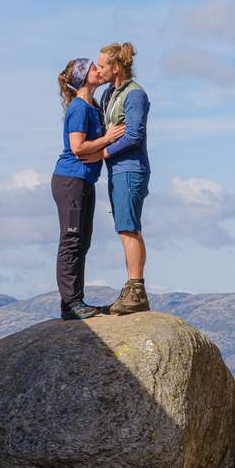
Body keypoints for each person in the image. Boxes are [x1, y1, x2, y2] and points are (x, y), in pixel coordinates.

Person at [51, 56, 124, 320]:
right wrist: (107, 139)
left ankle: (75, 300)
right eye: (94, 67)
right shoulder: (79, 108)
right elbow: (77, 147)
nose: (99, 70)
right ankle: (70, 304)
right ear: (83, 76)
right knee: (71, 241)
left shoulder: (92, 105)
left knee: (83, 241)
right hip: (70, 180)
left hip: (84, 181)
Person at [95, 42, 150, 314]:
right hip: (117, 170)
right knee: (125, 227)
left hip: (131, 168)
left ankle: (136, 289)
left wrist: (103, 151)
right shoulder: (109, 95)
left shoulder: (135, 95)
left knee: (128, 227)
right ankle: (132, 287)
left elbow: (133, 135)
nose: (99, 70)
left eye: (103, 66)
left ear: (116, 67)